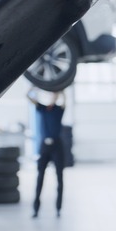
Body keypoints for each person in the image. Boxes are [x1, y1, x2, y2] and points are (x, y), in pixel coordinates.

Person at [27, 88, 67, 218]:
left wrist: (60, 88)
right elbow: (28, 96)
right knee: (40, 178)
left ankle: (58, 209)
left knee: (60, 178)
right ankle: (36, 209)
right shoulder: (42, 108)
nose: (53, 96)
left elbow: (64, 100)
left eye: (54, 95)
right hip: (44, 147)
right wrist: (34, 86)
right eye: (51, 94)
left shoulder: (59, 110)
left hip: (57, 146)